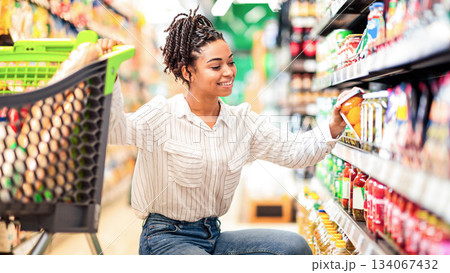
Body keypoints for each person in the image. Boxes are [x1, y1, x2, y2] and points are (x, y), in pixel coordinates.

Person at [100, 7, 348, 255]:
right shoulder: (161, 115)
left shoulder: (241, 122)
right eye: (216, 66)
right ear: (188, 71)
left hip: (213, 235)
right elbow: (114, 130)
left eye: (230, 62)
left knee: (293, 248)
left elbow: (293, 151)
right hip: (165, 238)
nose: (228, 72)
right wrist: (109, 73)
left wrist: (333, 126)